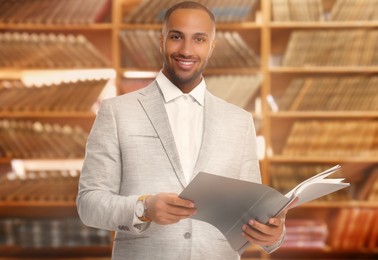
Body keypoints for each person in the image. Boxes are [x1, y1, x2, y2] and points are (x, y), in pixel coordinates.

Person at [77, 1, 287, 259]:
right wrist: (144, 208)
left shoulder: (239, 121)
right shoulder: (117, 112)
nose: (186, 50)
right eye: (177, 37)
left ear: (212, 46)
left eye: (199, 39)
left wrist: (273, 235)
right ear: (161, 40)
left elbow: (251, 210)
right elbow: (88, 203)